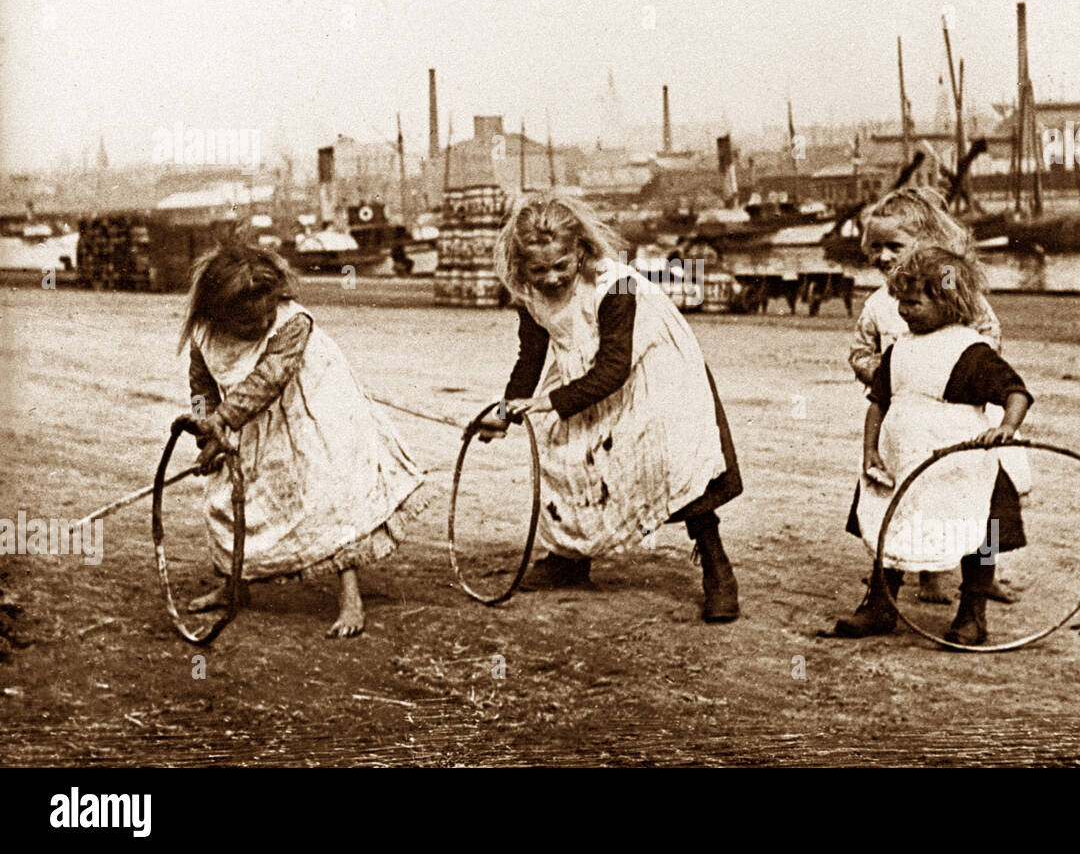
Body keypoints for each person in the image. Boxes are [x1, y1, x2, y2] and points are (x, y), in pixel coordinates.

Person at [477, 193, 743, 623]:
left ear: (580, 251)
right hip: (587, 370)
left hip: (652, 368)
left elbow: (616, 368)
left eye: (560, 266)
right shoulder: (528, 294)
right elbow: (531, 355)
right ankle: (569, 559)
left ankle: (717, 568)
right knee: (565, 450)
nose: (550, 279)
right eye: (538, 270)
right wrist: (506, 413)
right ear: (521, 267)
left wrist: (549, 401)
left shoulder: (615, 285)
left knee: (668, 458)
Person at [181, 242, 426, 637]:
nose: (260, 326)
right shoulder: (203, 334)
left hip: (312, 410)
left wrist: (225, 418)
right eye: (247, 324)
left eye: (264, 316)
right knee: (226, 498)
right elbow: (201, 385)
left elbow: (270, 378)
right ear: (218, 312)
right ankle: (233, 585)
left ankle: (349, 593)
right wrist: (206, 426)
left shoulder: (291, 322)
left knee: (328, 494)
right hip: (249, 417)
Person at [833, 245, 1032, 646]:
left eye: (914, 302)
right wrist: (870, 450)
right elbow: (878, 402)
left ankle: (972, 612)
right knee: (889, 524)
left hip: (959, 463)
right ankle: (880, 605)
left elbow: (1016, 392)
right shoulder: (899, 349)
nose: (904, 311)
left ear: (949, 301)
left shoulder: (970, 350)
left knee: (980, 530)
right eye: (900, 302)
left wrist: (1006, 428)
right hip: (902, 457)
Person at [846, 186, 1019, 605]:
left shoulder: (952, 289)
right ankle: (900, 586)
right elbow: (860, 352)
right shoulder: (881, 303)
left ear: (925, 241)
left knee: (980, 503)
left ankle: (980, 580)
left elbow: (987, 333)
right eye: (875, 247)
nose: (883, 256)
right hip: (904, 418)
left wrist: (955, 367)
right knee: (897, 501)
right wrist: (888, 372)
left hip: (958, 414)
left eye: (894, 246)